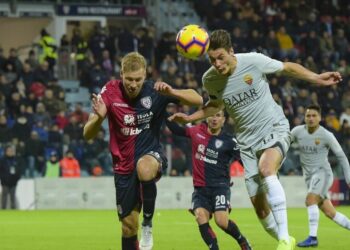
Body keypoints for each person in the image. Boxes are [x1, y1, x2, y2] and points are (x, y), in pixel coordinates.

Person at [169, 29, 342, 250]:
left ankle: (284, 239)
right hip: (247, 143)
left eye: (221, 57)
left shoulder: (253, 61)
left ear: (231, 51)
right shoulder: (210, 79)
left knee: (267, 168)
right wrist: (190, 118)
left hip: (274, 127)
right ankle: (282, 237)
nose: (217, 64)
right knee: (260, 209)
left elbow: (287, 67)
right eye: (212, 60)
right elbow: (215, 105)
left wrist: (317, 78)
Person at [83, 52, 202, 250]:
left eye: (138, 79)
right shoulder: (110, 91)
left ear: (145, 75)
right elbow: (87, 134)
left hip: (150, 155)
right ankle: (138, 229)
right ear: (121, 74)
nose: (133, 84)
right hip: (123, 166)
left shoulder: (155, 90)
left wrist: (172, 92)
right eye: (129, 79)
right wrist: (96, 118)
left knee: (145, 168)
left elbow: (197, 99)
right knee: (129, 226)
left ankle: (148, 223)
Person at [166, 110, 252, 250]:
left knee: (221, 222)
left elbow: (245, 161)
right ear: (206, 117)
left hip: (220, 187)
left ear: (223, 120)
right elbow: (176, 130)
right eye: (211, 114)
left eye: (218, 115)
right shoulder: (196, 131)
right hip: (200, 188)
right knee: (200, 216)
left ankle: (242, 241)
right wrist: (168, 116)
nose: (214, 118)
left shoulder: (229, 141)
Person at [291, 104, 350, 247]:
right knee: (330, 213)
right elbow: (283, 146)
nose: (311, 118)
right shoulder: (297, 131)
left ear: (320, 118)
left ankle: (313, 238)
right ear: (304, 117)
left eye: (314, 116)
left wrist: (348, 178)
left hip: (323, 173)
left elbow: (341, 156)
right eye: (308, 116)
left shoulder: (326, 135)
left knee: (310, 199)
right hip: (310, 178)